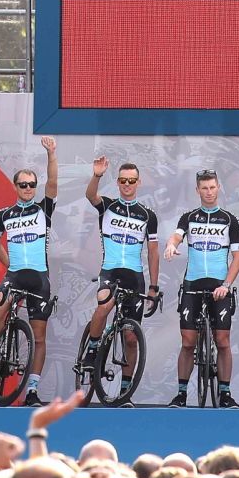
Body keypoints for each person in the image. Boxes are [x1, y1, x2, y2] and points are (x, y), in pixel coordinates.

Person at [0, 136, 60, 407]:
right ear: (15, 186)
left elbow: (53, 183)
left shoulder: (43, 210)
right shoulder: (4, 214)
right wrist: (7, 263)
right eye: (23, 185)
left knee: (39, 338)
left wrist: (51, 154)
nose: (28, 189)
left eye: (32, 185)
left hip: (39, 279)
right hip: (14, 275)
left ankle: (32, 390)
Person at [164, 169, 239, 409]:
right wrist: (171, 246)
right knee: (188, 342)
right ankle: (181, 394)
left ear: (218, 188)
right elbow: (176, 236)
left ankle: (225, 393)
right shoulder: (188, 217)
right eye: (204, 188)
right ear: (197, 190)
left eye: (212, 187)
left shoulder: (230, 220)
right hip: (193, 285)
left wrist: (226, 285)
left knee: (223, 341)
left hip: (219, 286)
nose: (209, 192)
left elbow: (238, 257)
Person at [82, 156, 160, 401]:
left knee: (130, 338)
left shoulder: (147, 215)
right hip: (110, 271)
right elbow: (90, 196)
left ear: (138, 183)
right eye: (123, 180)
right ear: (117, 182)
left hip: (134, 276)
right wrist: (97, 175)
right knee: (104, 306)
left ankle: (125, 390)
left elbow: (153, 252)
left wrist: (154, 286)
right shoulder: (108, 206)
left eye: (132, 181)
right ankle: (92, 349)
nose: (127, 184)